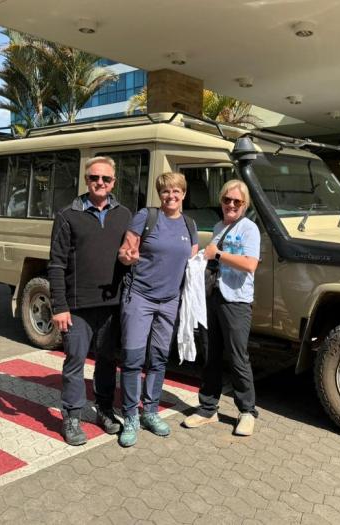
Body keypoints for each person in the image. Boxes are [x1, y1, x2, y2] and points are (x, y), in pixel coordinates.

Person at [47, 156, 132, 446]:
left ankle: (104, 410)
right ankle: (71, 416)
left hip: (112, 306)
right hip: (77, 306)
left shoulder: (124, 215)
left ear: (113, 182)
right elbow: (56, 264)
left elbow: (129, 256)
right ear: (86, 180)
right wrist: (59, 306)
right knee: (75, 361)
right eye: (94, 177)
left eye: (106, 179)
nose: (100, 183)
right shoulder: (67, 215)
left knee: (107, 361)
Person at [117, 172, 198, 447]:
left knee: (159, 358)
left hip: (170, 301)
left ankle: (150, 412)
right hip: (140, 297)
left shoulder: (189, 224)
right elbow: (125, 252)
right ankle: (130, 416)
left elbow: (193, 262)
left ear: (183, 194)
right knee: (133, 358)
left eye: (176, 191)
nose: (170, 196)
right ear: (159, 194)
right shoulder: (146, 216)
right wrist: (127, 257)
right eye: (165, 191)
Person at [183, 179, 260, 436]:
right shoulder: (218, 226)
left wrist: (216, 254)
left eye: (237, 201)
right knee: (210, 354)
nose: (231, 205)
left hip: (236, 300)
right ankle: (208, 408)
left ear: (245, 204)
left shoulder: (249, 229)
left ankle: (247, 411)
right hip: (211, 298)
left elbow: (250, 264)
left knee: (238, 357)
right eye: (227, 200)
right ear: (221, 201)